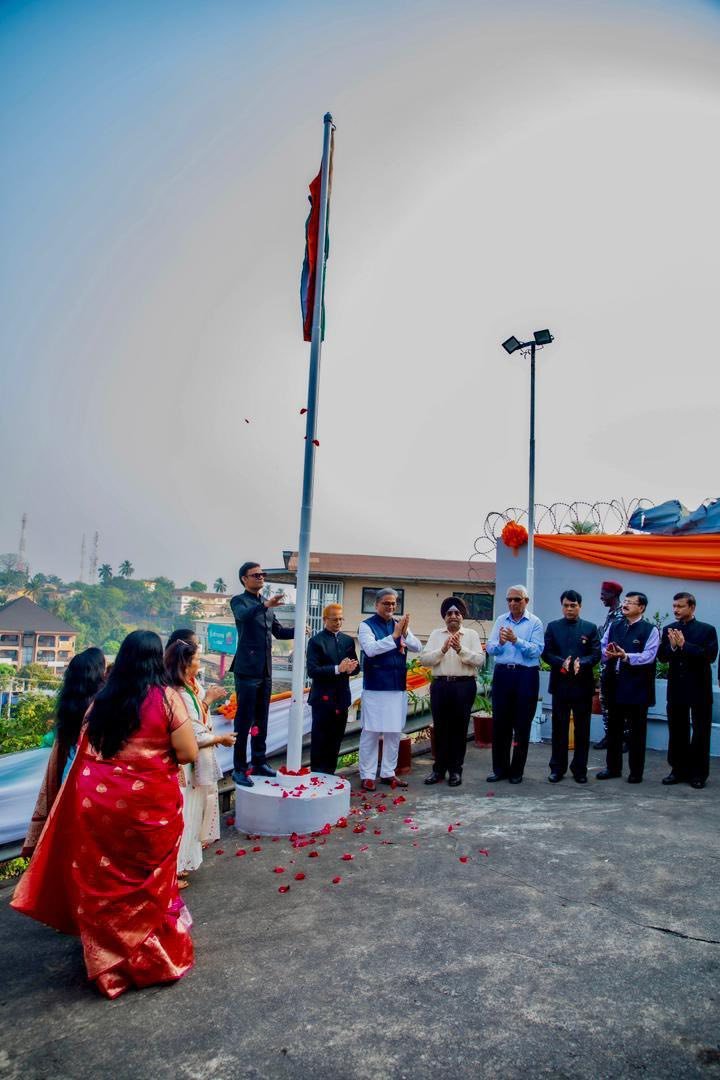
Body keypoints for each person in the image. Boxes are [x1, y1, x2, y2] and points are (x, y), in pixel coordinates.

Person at [11, 630, 198, 999]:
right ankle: (150, 958)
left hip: (99, 807)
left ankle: (109, 962)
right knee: (147, 880)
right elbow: (188, 752)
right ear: (155, 659)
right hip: (149, 810)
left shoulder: (100, 701)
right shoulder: (167, 699)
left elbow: (89, 751)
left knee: (107, 880)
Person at [21, 647, 107, 858]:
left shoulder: (69, 704)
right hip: (92, 777)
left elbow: (54, 741)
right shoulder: (100, 705)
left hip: (67, 774)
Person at [165, 638, 234, 881]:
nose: (199, 663)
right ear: (185, 665)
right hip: (186, 762)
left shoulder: (191, 686)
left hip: (195, 760)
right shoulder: (180, 693)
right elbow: (193, 731)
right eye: (195, 659)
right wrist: (219, 739)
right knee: (186, 815)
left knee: (194, 814)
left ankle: (183, 862)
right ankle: (175, 868)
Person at [229, 562, 295, 787]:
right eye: (255, 575)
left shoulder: (266, 605)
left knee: (261, 720)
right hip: (247, 670)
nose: (261, 577)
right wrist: (266, 604)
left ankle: (259, 761)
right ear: (244, 579)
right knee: (244, 721)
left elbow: (278, 631)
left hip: (265, 670)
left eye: (262, 574)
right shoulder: (239, 601)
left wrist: (300, 630)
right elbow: (245, 616)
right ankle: (239, 768)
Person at [358, 588, 421, 791]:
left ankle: (387, 772)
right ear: (376, 604)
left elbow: (417, 646)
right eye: (386, 603)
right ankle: (367, 775)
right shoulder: (366, 625)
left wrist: (403, 634)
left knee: (394, 732)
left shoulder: (398, 624)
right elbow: (370, 649)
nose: (391, 607)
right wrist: (394, 637)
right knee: (371, 731)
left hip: (396, 686)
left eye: (394, 604)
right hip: (376, 686)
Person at [419, 597, 484, 787]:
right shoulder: (436, 634)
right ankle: (438, 770)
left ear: (462, 616)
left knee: (459, 728)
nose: (453, 616)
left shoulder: (471, 635)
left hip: (464, 686)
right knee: (440, 729)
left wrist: (460, 649)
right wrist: (443, 649)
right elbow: (424, 660)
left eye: (457, 613)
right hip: (441, 685)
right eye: (449, 613)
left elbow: (479, 660)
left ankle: (455, 770)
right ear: (444, 617)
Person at [658, 593, 718, 789]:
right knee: (677, 730)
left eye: (680, 606)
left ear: (692, 607)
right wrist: (673, 648)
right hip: (676, 688)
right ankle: (677, 770)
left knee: (700, 731)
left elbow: (709, 655)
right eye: (674, 606)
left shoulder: (707, 630)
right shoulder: (669, 629)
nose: (676, 610)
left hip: (699, 688)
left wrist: (685, 646)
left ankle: (698, 774)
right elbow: (663, 657)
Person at [598, 591, 659, 783]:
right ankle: (613, 768)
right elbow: (602, 647)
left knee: (636, 732)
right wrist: (607, 653)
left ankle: (636, 772)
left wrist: (625, 657)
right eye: (625, 601)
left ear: (641, 608)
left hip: (636, 687)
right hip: (613, 684)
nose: (625, 605)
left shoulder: (650, 630)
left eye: (631, 603)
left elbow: (649, 656)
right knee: (614, 729)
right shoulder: (615, 625)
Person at [486, 584, 544, 784]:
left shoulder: (535, 622)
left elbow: (537, 651)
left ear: (526, 601)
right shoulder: (501, 620)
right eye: (509, 599)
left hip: (525, 675)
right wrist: (501, 643)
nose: (512, 603)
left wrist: (516, 640)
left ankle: (516, 770)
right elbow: (490, 648)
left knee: (522, 724)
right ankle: (499, 769)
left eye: (517, 599)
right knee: (500, 724)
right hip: (503, 674)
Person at [542, 590, 601, 784]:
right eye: (566, 605)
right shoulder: (553, 627)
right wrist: (561, 663)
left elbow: (596, 654)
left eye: (573, 605)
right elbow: (546, 653)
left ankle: (579, 769)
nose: (569, 609)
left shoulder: (590, 628)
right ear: (562, 606)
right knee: (559, 728)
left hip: (582, 686)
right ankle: (557, 768)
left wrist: (581, 663)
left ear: (580, 606)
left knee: (582, 729)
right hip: (560, 685)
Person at [307, 603, 360, 774]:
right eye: (334, 619)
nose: (338, 622)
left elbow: (355, 665)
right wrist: (338, 669)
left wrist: (352, 668)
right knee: (320, 740)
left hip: (341, 697)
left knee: (336, 739)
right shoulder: (316, 641)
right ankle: (316, 775)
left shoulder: (347, 640)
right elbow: (312, 671)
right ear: (325, 620)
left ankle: (330, 775)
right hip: (322, 699)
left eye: (340, 619)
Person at [594, 580, 624, 750]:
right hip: (606, 667)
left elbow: (616, 641)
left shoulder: (621, 615)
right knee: (605, 703)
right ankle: (609, 735)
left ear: (613, 595)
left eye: (604, 594)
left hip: (617, 668)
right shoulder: (611, 614)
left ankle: (622, 738)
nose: (601, 597)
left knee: (617, 704)